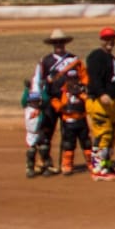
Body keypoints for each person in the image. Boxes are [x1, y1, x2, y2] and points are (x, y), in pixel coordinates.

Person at [29, 28, 77, 176]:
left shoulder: (73, 60)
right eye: (56, 42)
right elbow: (37, 80)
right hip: (50, 101)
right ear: (52, 44)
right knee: (46, 132)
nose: (59, 45)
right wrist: (36, 99)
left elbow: (80, 79)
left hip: (68, 102)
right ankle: (45, 162)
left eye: (61, 42)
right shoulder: (45, 61)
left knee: (67, 132)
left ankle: (65, 163)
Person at [84, 28, 115, 181]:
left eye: (112, 38)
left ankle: (106, 165)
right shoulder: (96, 56)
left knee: (113, 135)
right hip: (98, 101)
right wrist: (101, 93)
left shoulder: (112, 59)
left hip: (111, 102)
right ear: (101, 40)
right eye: (107, 39)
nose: (110, 41)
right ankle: (97, 169)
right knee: (103, 134)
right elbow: (93, 78)